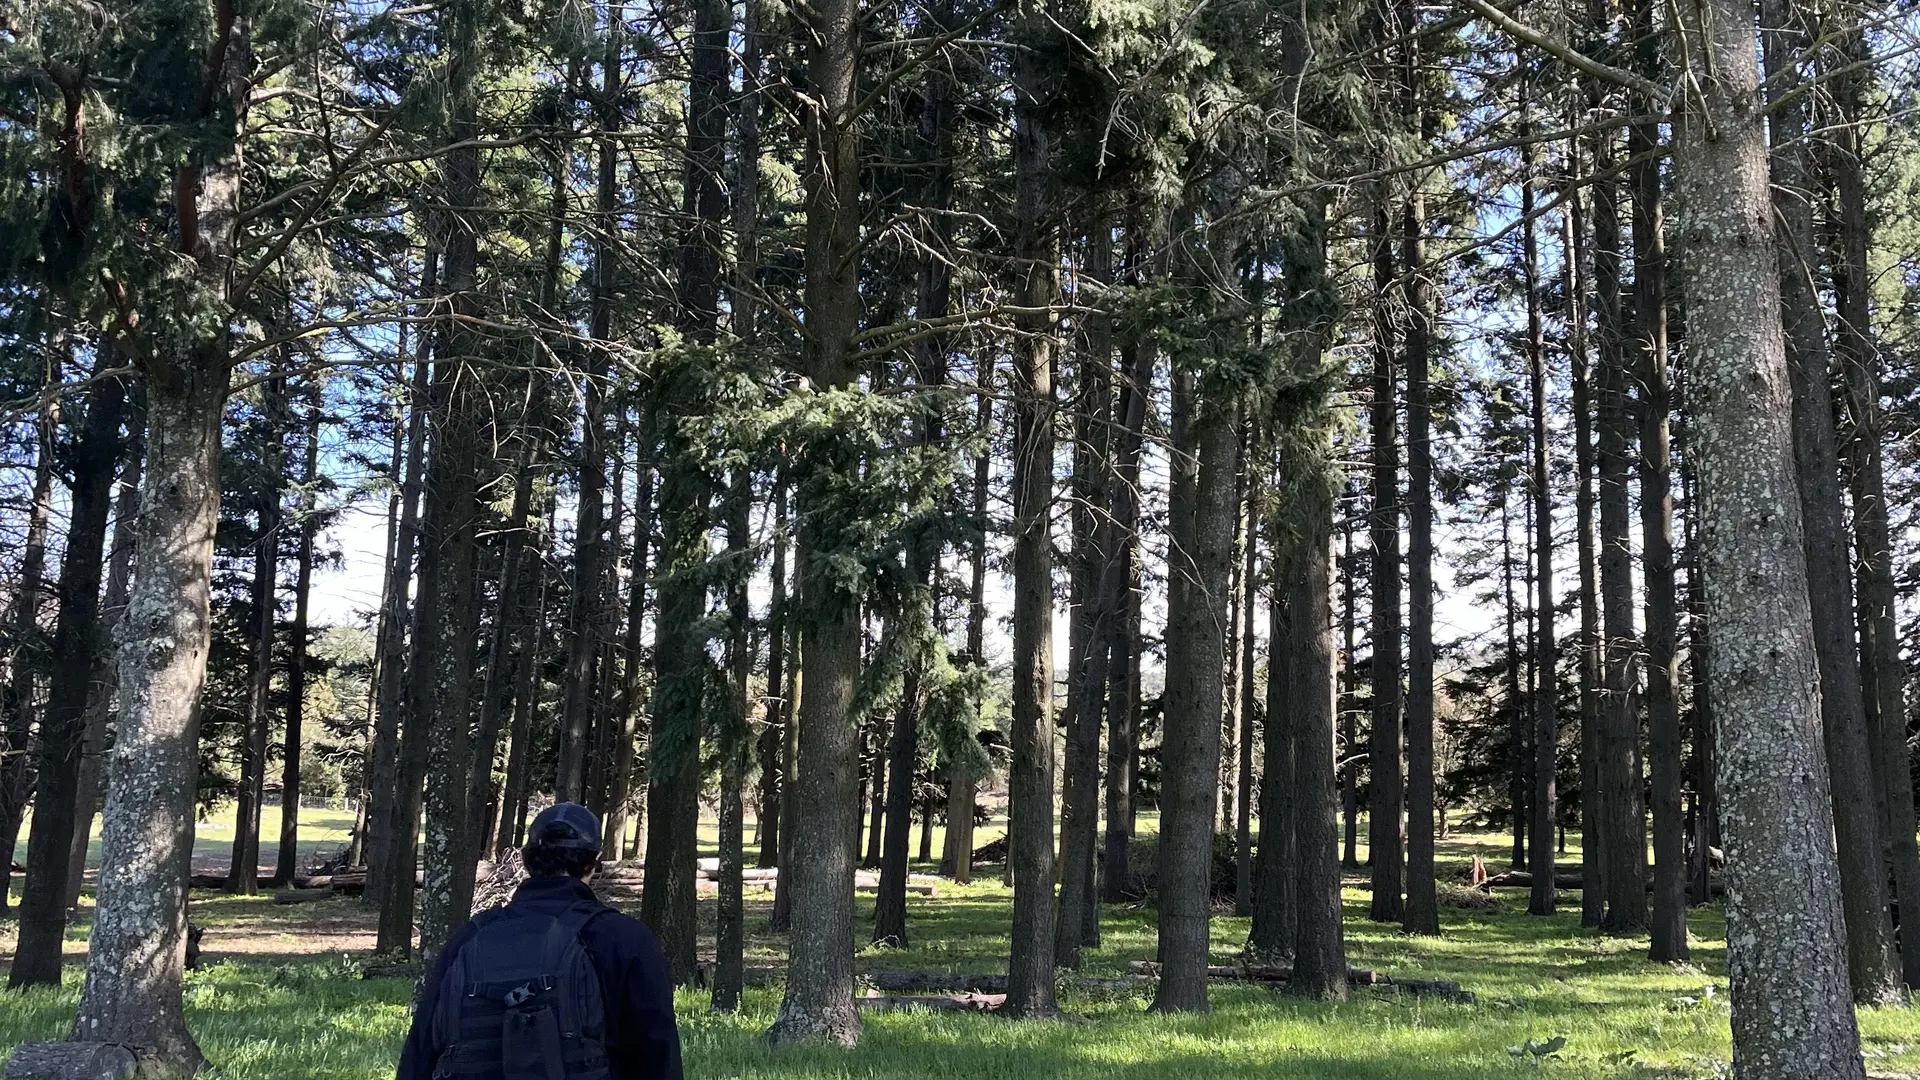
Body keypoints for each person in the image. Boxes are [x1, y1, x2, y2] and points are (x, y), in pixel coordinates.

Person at [397, 803, 683, 1080]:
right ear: (593, 866)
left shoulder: (470, 936)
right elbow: (657, 1056)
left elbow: (421, 1050)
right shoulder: (626, 939)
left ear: (525, 860)